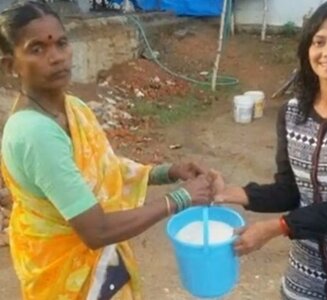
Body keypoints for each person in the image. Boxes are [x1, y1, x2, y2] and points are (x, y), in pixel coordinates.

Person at [0, 2, 217, 299]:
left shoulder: (71, 107)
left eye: (62, 44)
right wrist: (181, 198)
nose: (56, 57)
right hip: (66, 276)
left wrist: (167, 172)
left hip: (99, 268)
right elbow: (96, 231)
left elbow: (106, 167)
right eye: (37, 49)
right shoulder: (34, 133)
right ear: (10, 65)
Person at [214, 0, 327, 299]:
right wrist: (228, 194)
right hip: (305, 277)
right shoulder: (293, 112)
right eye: (319, 42)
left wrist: (274, 228)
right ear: (308, 49)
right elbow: (290, 190)